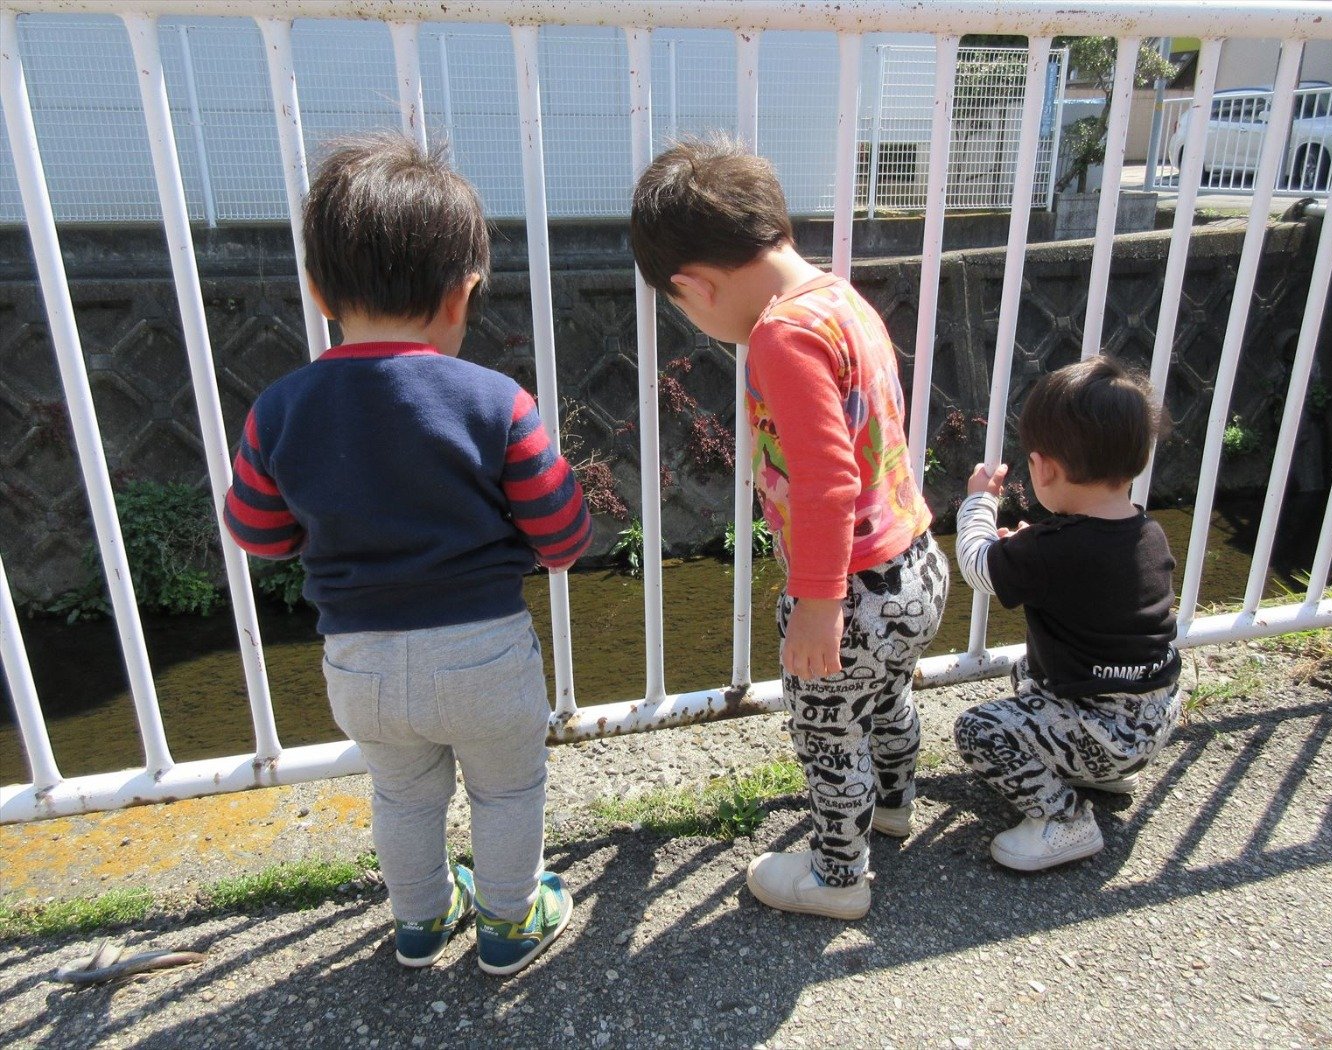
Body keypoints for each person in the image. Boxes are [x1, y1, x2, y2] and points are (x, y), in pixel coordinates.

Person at [223, 132, 591, 973]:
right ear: (463, 295)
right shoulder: (496, 401)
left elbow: (258, 533)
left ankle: (421, 921)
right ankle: (508, 923)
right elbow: (563, 538)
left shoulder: (280, 408)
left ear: (319, 291)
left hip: (360, 664)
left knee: (402, 793)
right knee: (507, 790)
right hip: (484, 654)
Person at [631, 137, 948, 920]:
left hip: (854, 591)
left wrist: (817, 602)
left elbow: (826, 481)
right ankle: (894, 805)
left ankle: (838, 878)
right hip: (916, 565)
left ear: (693, 286)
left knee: (828, 733)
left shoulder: (781, 336)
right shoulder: (840, 298)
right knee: (885, 701)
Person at [953, 356, 1182, 871]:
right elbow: (1078, 575)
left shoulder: (1051, 550)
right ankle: (1101, 770)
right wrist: (1027, 551)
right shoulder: (1146, 531)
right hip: (1152, 716)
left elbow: (977, 566)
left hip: (1106, 729)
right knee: (1027, 670)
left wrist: (978, 506)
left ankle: (1065, 819)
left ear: (1045, 468)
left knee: (978, 729)